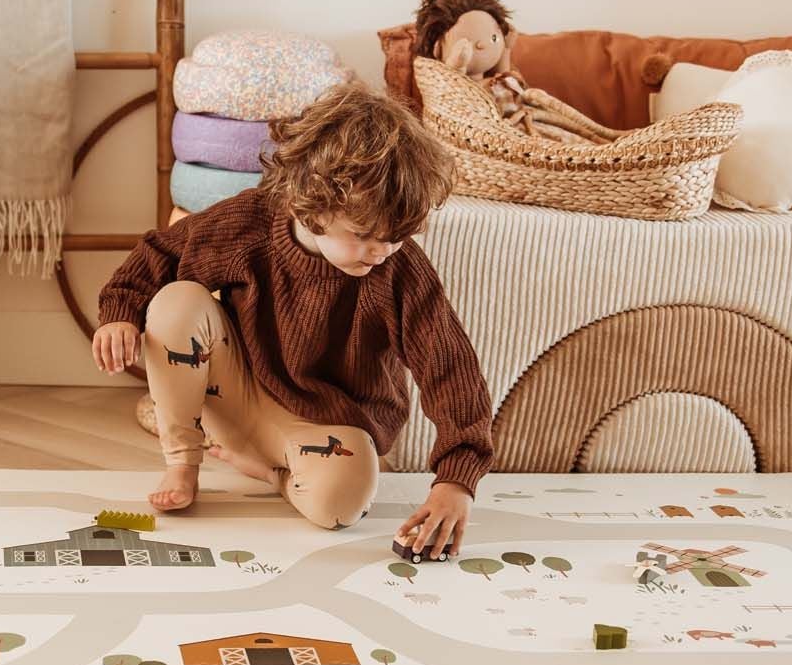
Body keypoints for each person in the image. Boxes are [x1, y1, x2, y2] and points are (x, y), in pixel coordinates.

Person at [92, 81, 493, 559]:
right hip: (237, 395)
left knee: (340, 507)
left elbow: (451, 369)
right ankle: (183, 460)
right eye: (365, 234)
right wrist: (120, 315)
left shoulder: (398, 271)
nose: (381, 251)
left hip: (326, 425)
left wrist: (456, 481)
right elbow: (158, 253)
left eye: (398, 236)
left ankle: (266, 471)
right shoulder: (249, 224)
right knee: (176, 302)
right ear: (312, 201)